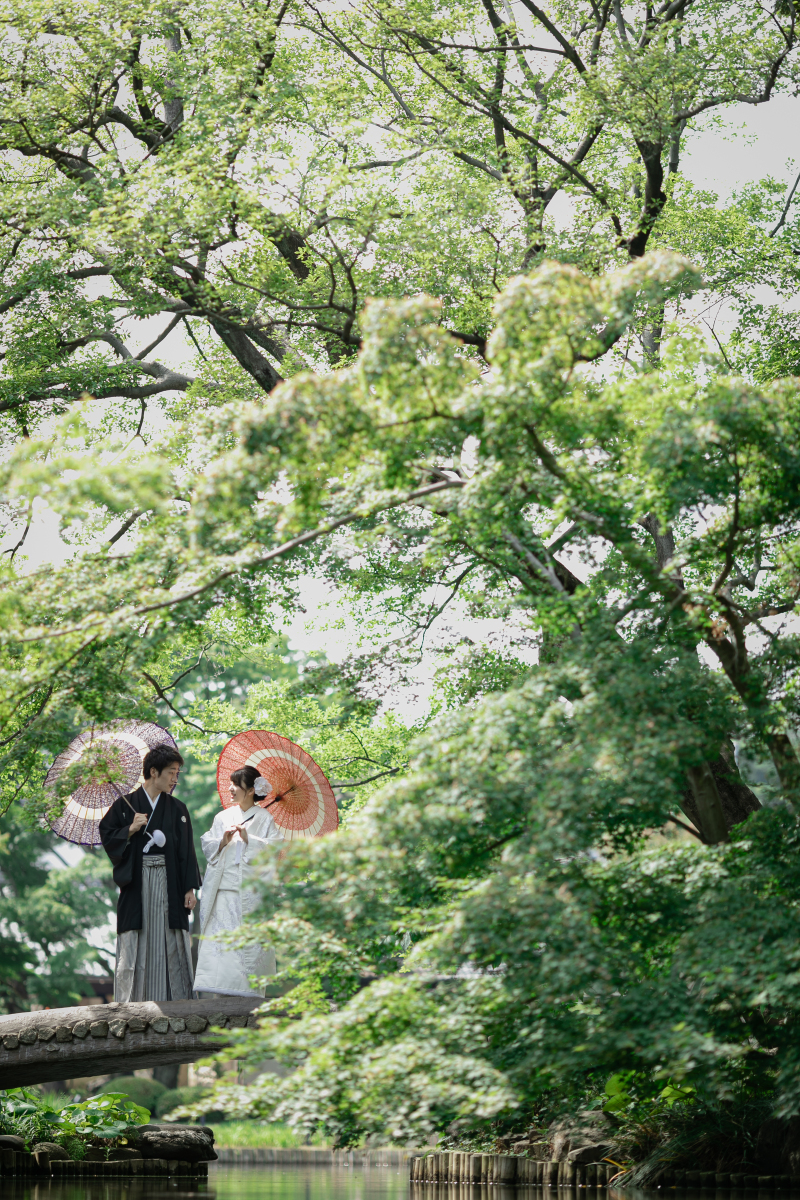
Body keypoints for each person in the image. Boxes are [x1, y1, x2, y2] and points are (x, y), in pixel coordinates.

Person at [99, 743, 201, 1002]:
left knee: (169, 940)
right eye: (171, 772)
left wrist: (189, 888)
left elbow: (186, 851)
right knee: (138, 939)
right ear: (153, 772)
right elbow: (107, 835)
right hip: (138, 884)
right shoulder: (125, 806)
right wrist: (130, 830)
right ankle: (133, 1006)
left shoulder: (178, 809)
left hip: (170, 884)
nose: (175, 779)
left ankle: (174, 1003)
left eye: (178, 773)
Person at [194, 766, 283, 997]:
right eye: (231, 784)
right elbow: (208, 845)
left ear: (252, 790)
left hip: (249, 895)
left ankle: (248, 1002)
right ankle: (217, 999)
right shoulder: (222, 817)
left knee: (246, 950)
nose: (230, 789)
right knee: (220, 951)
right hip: (223, 892)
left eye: (236, 785)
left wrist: (249, 838)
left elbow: (275, 850)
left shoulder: (264, 818)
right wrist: (222, 841)